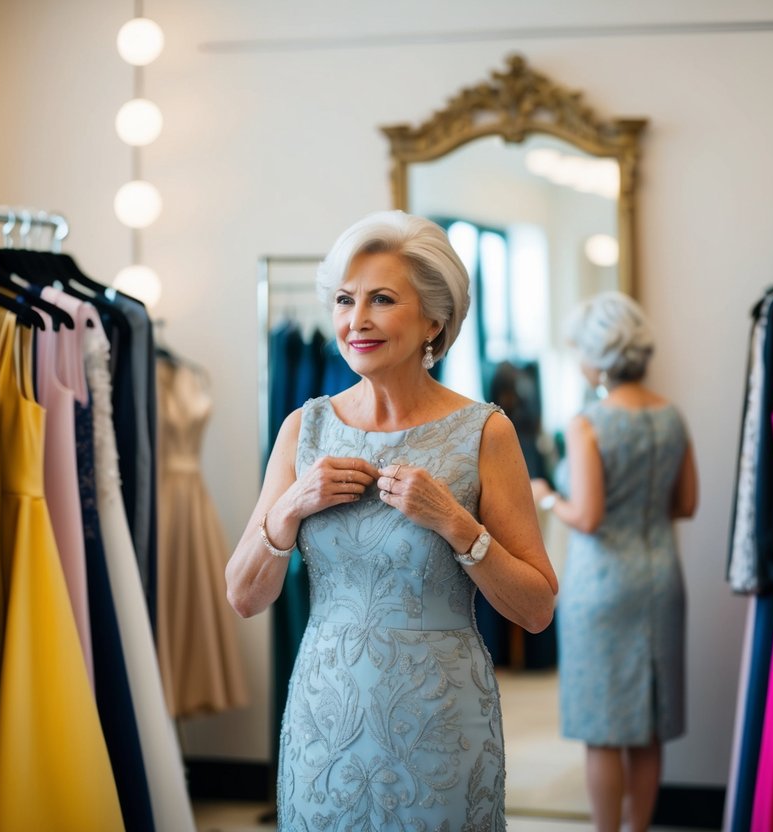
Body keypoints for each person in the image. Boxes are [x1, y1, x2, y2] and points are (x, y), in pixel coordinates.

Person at [226, 210, 558, 829]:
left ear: (436, 317)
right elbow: (244, 595)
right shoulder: (305, 428)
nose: (358, 320)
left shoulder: (485, 432)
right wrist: (292, 505)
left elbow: (536, 608)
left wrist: (456, 523)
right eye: (346, 300)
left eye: (382, 299)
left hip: (441, 721)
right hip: (325, 717)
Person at [531, 291, 698, 832]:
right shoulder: (671, 416)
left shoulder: (589, 423)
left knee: (603, 727)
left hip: (602, 587)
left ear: (597, 356)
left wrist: (547, 497)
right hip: (661, 579)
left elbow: (589, 516)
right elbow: (687, 504)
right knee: (646, 725)